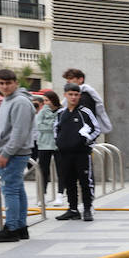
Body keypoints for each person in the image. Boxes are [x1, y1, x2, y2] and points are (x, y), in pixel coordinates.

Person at [0, 69, 34, 243]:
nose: (5, 86)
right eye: (1, 83)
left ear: (16, 83)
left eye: (8, 83)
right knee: (17, 189)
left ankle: (12, 227)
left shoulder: (20, 102)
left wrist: (6, 153)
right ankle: (20, 227)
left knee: (10, 190)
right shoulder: (8, 100)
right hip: (10, 151)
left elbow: (19, 131)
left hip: (14, 152)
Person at [53, 84, 100, 222]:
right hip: (65, 154)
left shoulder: (85, 112)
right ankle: (73, 209)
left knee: (85, 182)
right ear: (65, 95)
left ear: (79, 96)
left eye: (76, 94)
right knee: (69, 182)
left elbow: (96, 129)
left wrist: (86, 141)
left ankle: (87, 208)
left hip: (82, 154)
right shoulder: (61, 113)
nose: (73, 97)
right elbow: (55, 129)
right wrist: (59, 142)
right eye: (70, 94)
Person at [61, 68, 112, 134]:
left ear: (81, 79)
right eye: (67, 81)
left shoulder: (85, 97)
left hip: (83, 134)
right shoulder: (84, 95)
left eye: (71, 79)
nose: (68, 82)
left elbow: (85, 118)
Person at [33, 90, 61, 206]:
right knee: (43, 171)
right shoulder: (42, 111)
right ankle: (42, 196)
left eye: (46, 100)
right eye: (44, 100)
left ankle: (60, 195)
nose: (44, 103)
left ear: (53, 100)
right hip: (43, 144)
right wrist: (53, 125)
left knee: (61, 170)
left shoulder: (61, 111)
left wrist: (49, 125)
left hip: (58, 144)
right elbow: (39, 126)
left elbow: (61, 126)